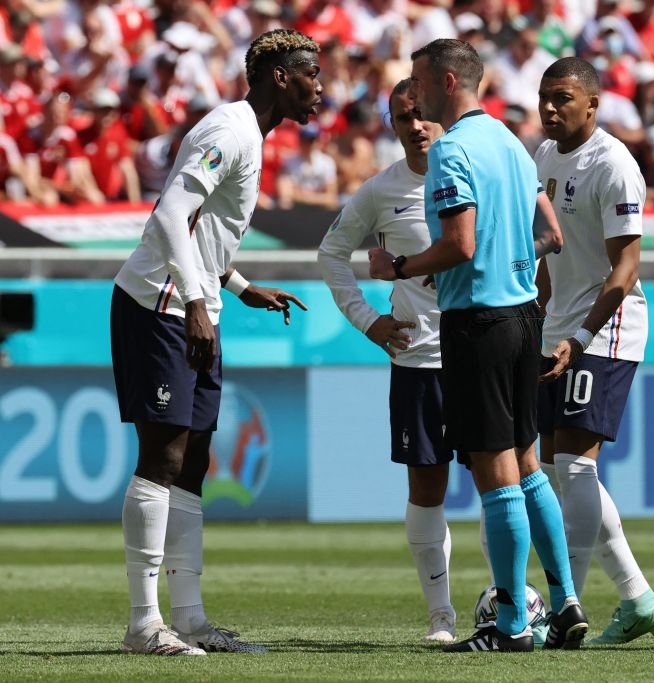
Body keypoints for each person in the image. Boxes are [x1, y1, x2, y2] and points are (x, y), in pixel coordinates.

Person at [367, 38, 585, 653]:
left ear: (444, 81)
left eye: (418, 84)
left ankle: (513, 623)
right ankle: (565, 601)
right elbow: (552, 235)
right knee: (528, 462)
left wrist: (400, 266)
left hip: (479, 324)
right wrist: (509, 257)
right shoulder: (512, 144)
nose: (415, 99)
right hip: (523, 315)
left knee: (495, 475)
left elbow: (459, 245)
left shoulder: (453, 149)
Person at [110, 28, 320, 656]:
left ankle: (191, 618)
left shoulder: (249, 135)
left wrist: (240, 284)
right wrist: (200, 301)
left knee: (194, 461)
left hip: (195, 303)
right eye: (310, 72)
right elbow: (171, 215)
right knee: (165, 455)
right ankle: (143, 624)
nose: (320, 87)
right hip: (161, 304)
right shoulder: (228, 131)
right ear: (278, 75)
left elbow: (203, 235)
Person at [532, 56, 654, 647]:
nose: (549, 108)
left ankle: (566, 609)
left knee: (576, 466)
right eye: (544, 97)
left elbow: (626, 267)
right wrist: (537, 316)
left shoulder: (614, 165)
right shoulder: (542, 157)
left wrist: (580, 336)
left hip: (605, 328)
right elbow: (548, 253)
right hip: (556, 324)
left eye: (562, 98)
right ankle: (638, 597)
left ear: (592, 104)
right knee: (549, 472)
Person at [317, 79, 456, 643]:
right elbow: (331, 254)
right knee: (427, 487)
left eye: (423, 114)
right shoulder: (381, 191)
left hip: (486, 355)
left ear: (443, 116)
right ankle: (441, 617)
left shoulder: (481, 173)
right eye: (404, 117)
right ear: (393, 126)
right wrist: (368, 320)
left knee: (511, 481)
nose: (415, 125)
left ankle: (513, 603)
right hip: (420, 362)